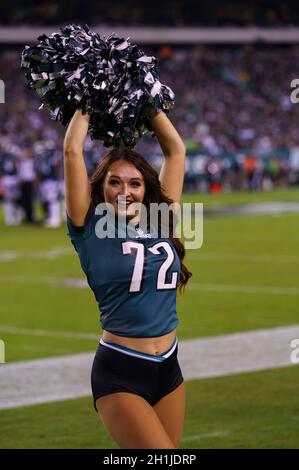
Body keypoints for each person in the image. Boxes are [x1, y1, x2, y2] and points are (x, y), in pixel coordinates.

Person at [64, 107, 192, 449]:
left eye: (134, 183)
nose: (125, 190)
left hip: (169, 365)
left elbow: (175, 150)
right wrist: (87, 100)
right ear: (101, 187)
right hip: (122, 368)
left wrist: (148, 102)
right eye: (115, 181)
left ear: (144, 187)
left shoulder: (161, 217)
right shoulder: (87, 226)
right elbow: (72, 151)